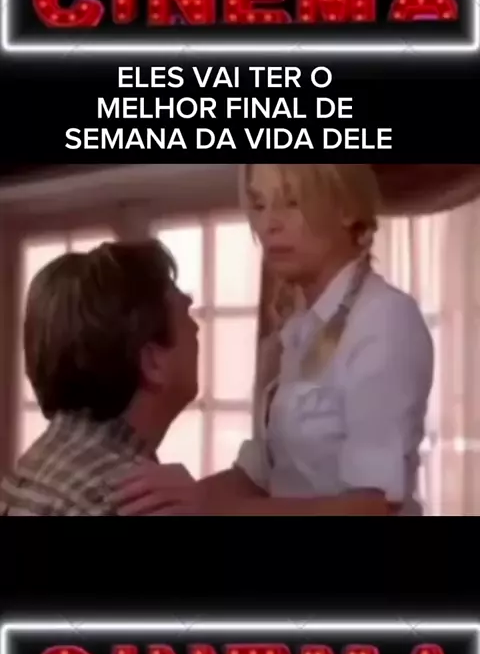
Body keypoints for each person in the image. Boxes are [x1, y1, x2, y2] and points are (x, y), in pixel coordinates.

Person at [115, 164, 434, 516]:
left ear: (347, 208)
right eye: (259, 205)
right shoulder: (300, 328)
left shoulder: (384, 318)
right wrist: (171, 498)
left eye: (291, 202)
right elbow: (262, 474)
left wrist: (212, 506)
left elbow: (373, 507)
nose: (268, 224)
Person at [0, 240, 199, 516]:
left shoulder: (35, 465)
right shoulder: (132, 500)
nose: (196, 328)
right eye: (187, 316)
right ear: (153, 363)